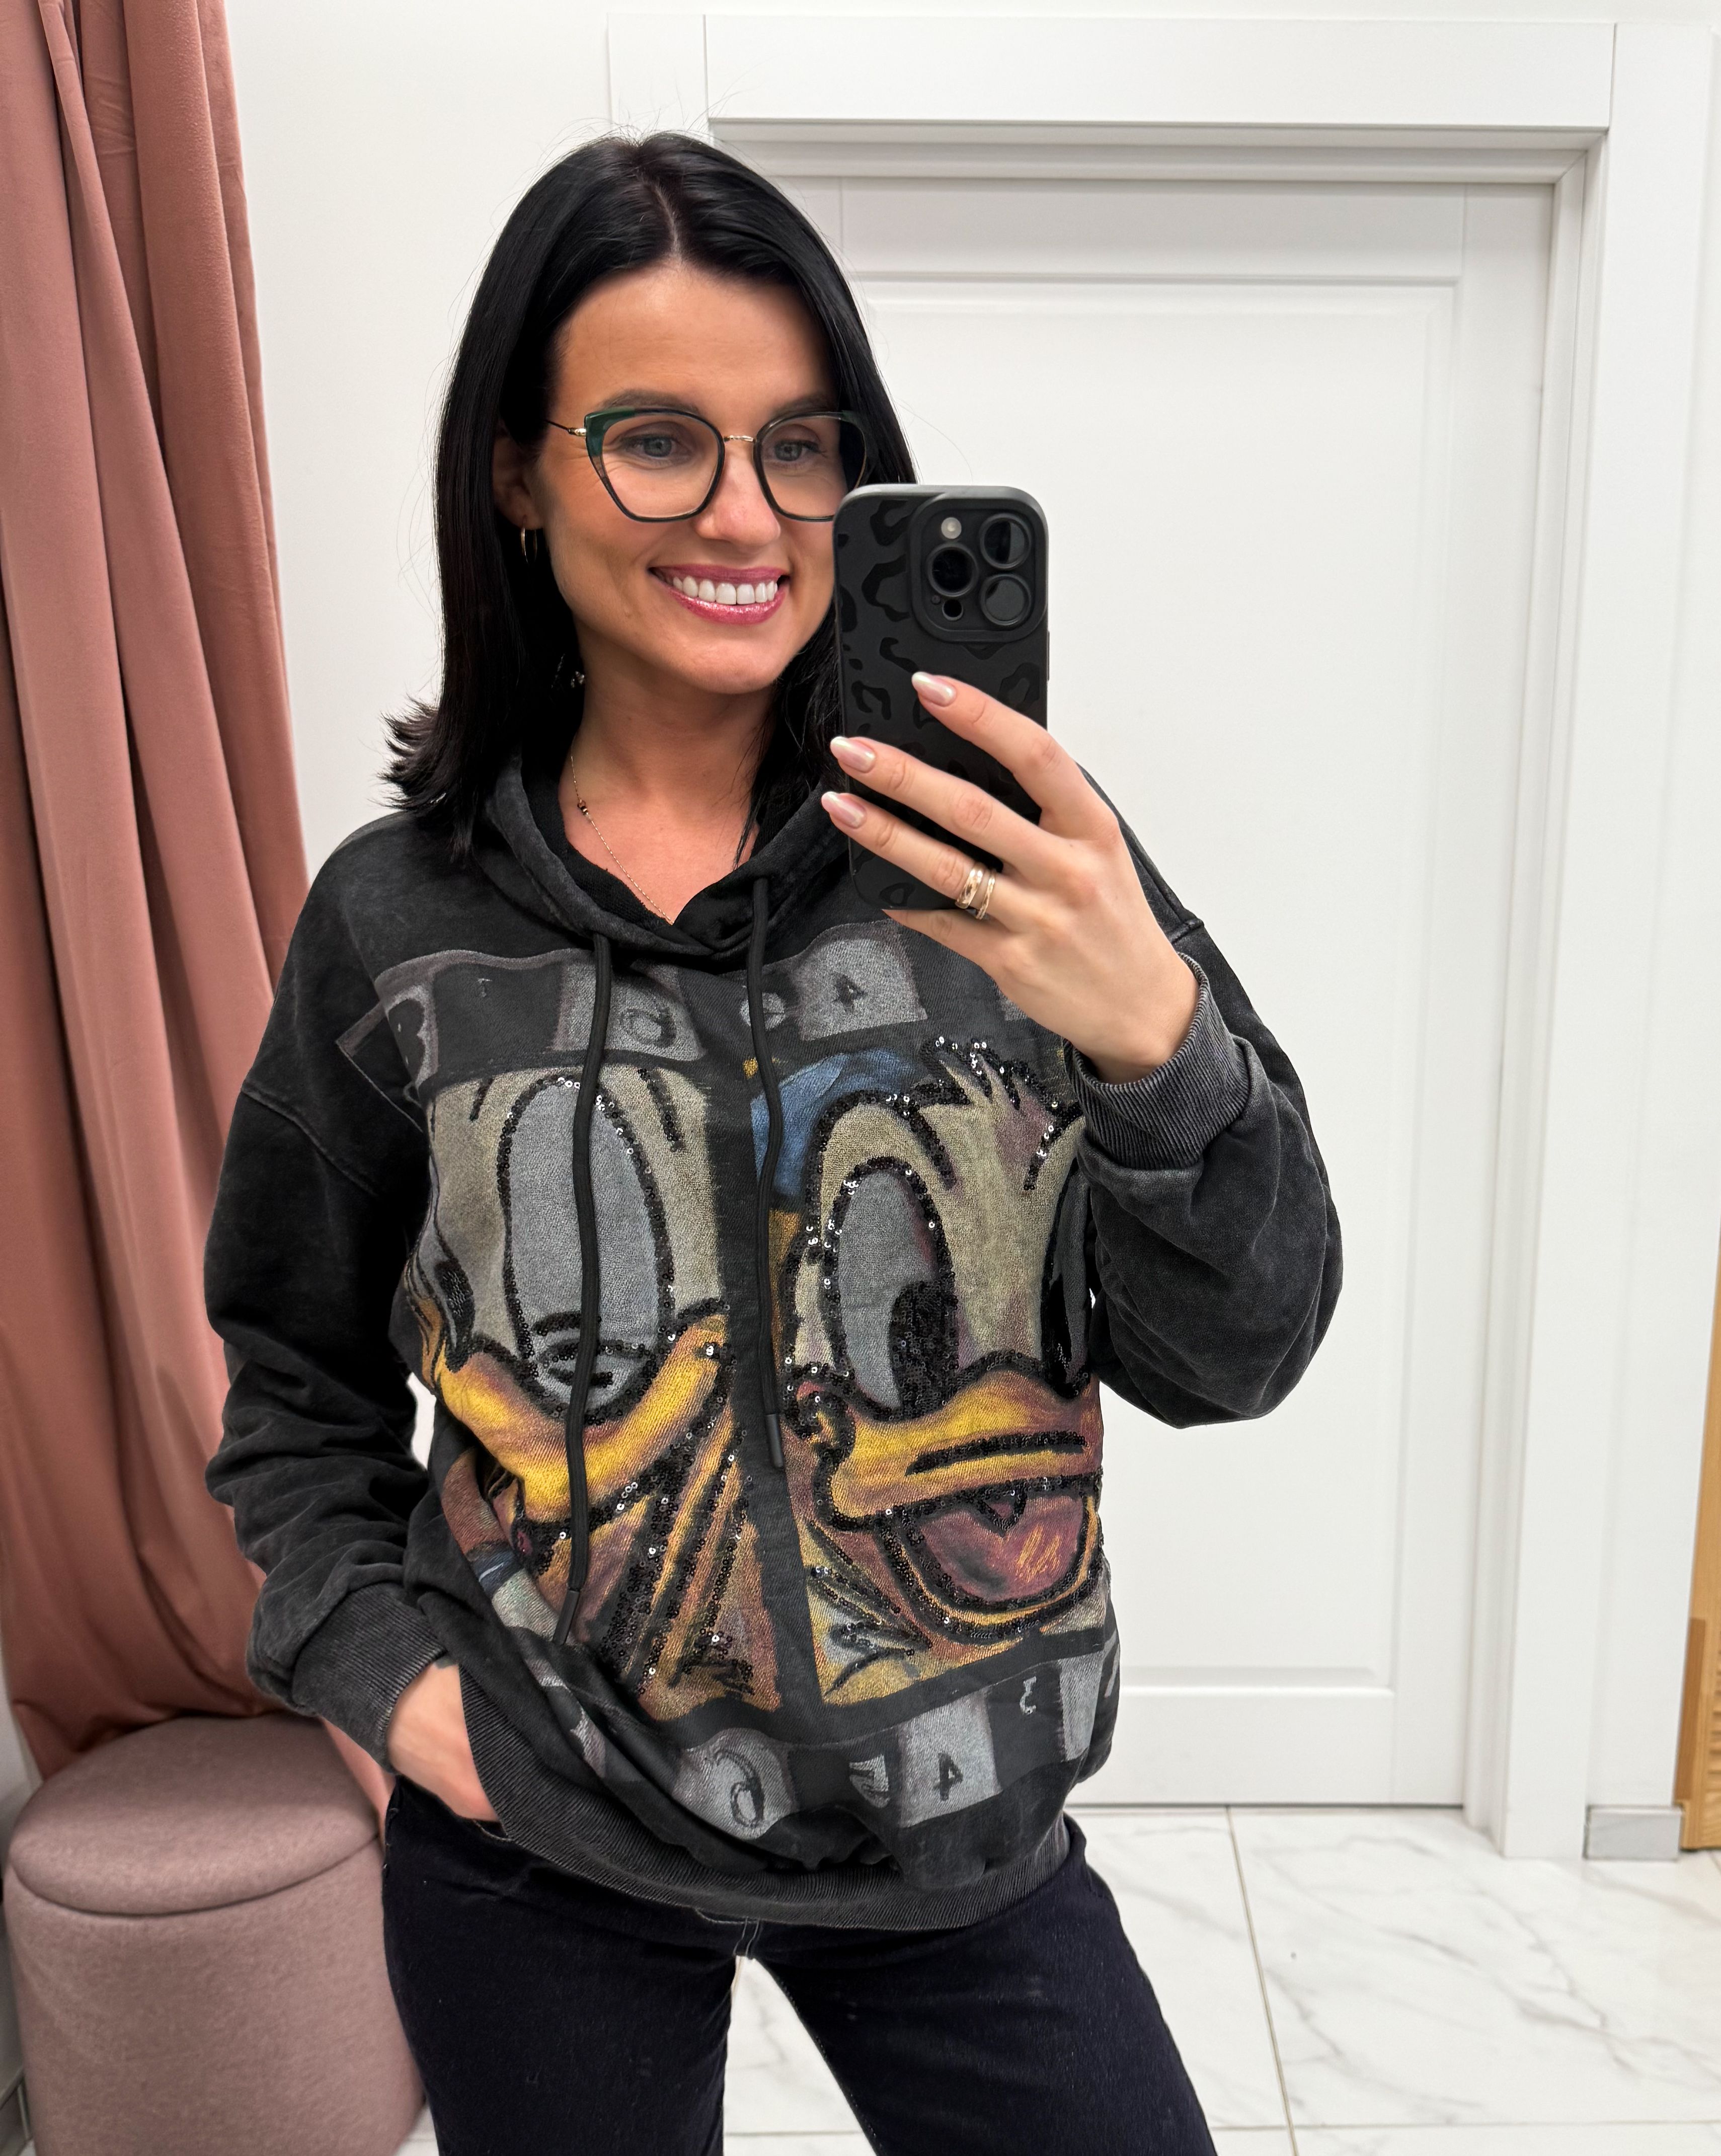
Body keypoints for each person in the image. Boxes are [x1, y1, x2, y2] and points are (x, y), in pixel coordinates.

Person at [204, 132, 1340, 2156]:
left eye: (802, 447)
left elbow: (1238, 1351)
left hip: (961, 1840)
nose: (745, 514)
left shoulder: (1015, 869)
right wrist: (393, 1685)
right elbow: (294, 1378)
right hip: (542, 1837)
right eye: (658, 440)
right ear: (519, 472)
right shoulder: (396, 920)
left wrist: (1154, 1040)